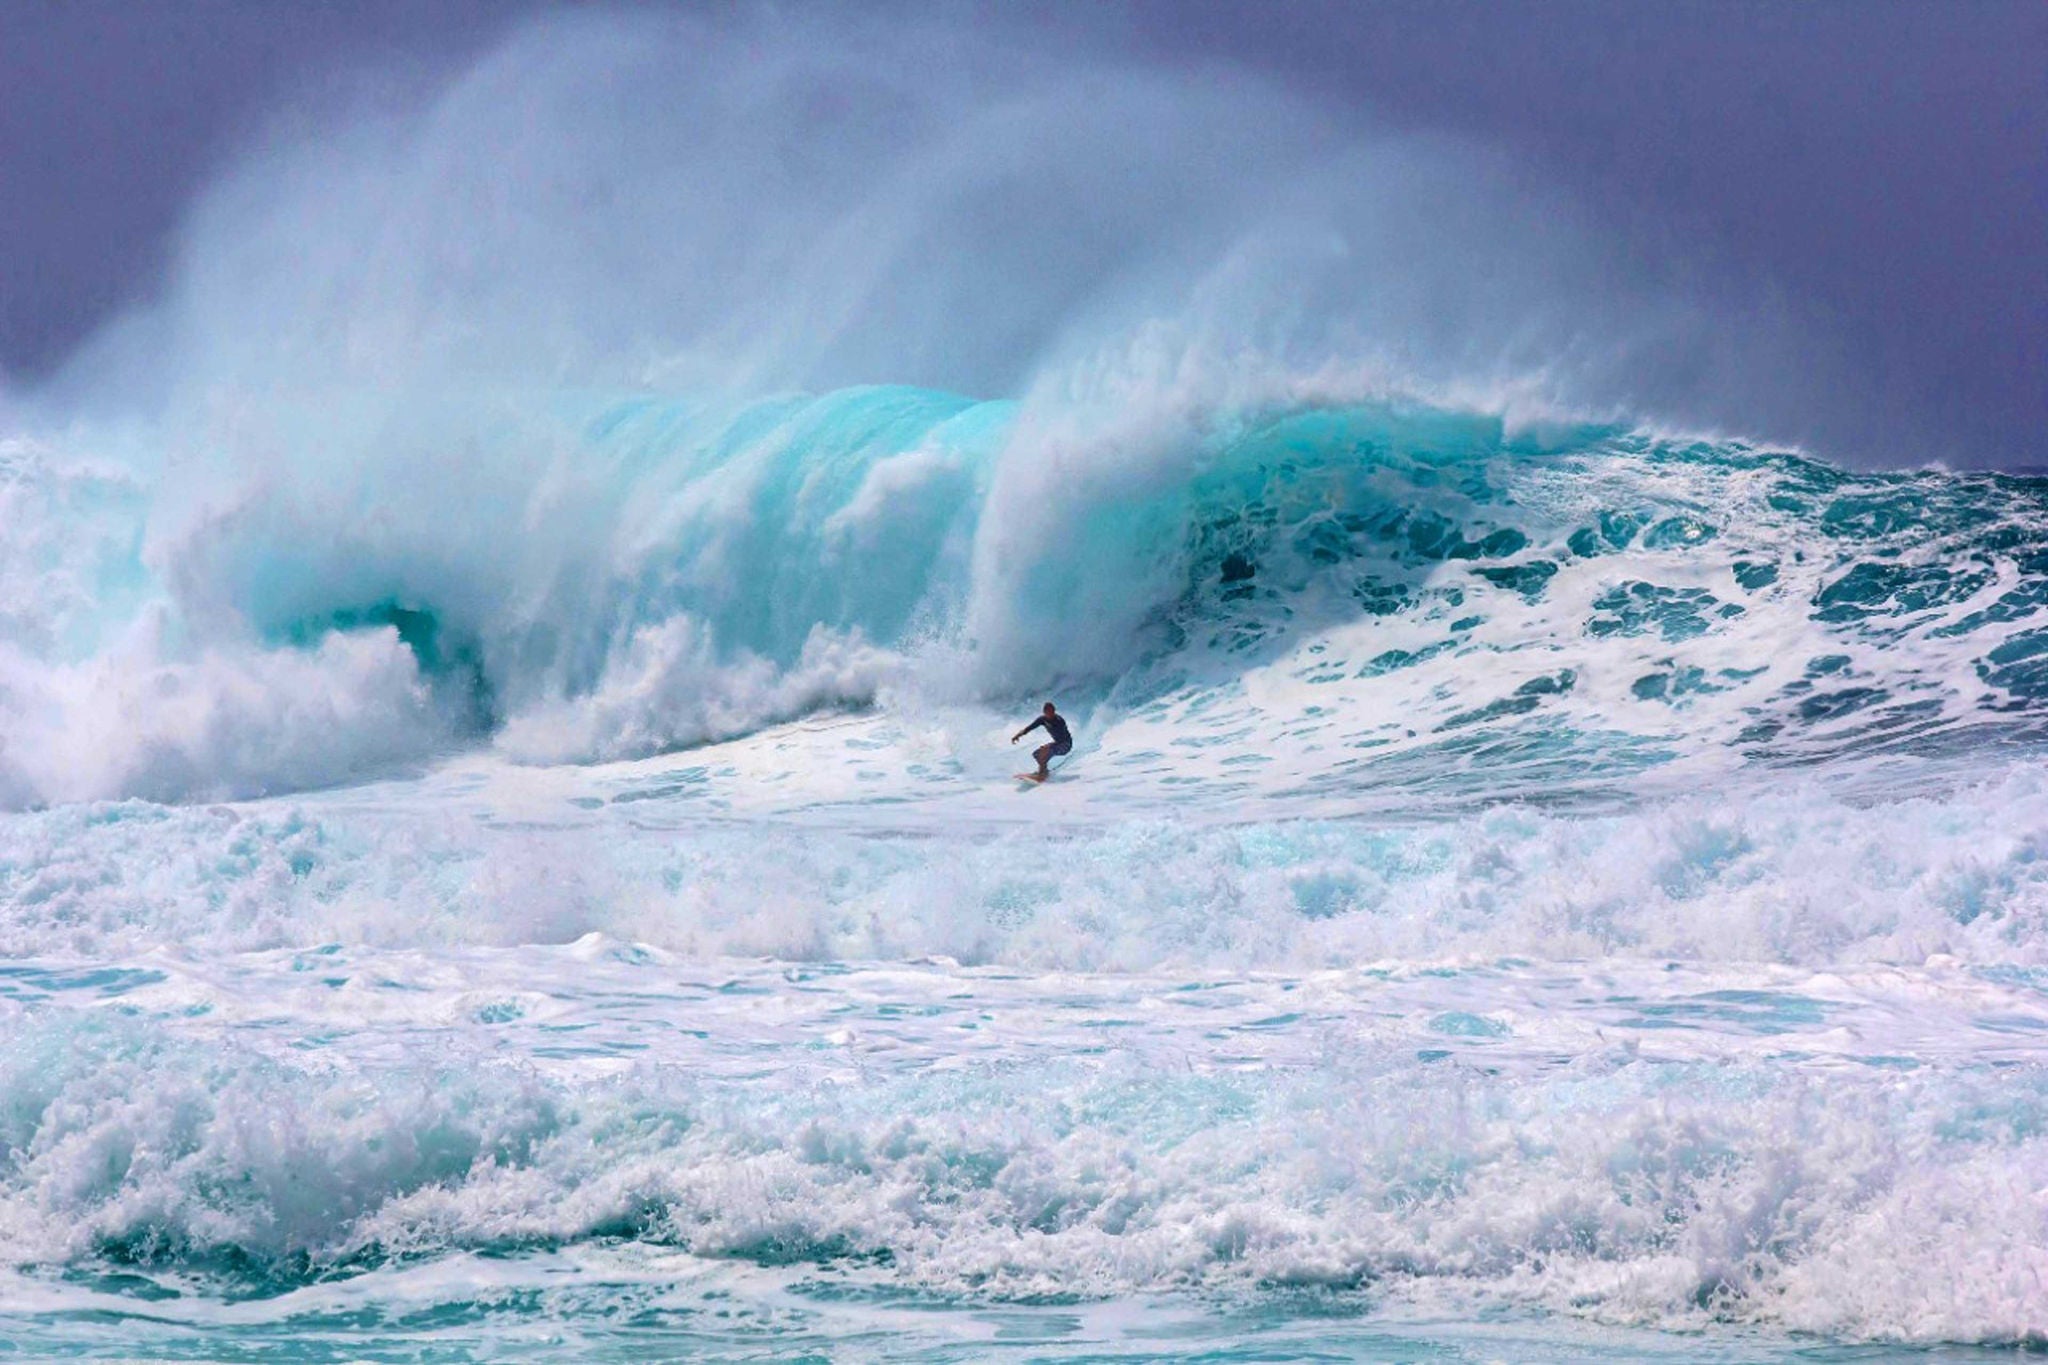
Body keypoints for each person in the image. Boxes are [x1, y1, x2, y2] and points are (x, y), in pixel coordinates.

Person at [1011, 701, 1072, 781]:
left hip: (1066, 745)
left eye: (1052, 712)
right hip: (1057, 744)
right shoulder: (1042, 719)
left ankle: (1041, 775)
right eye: (1048, 712)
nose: (1050, 714)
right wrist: (1018, 735)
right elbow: (1029, 728)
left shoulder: (1059, 721)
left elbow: (1062, 739)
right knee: (1036, 754)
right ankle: (1044, 771)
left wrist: (1049, 745)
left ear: (1054, 711)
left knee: (1045, 750)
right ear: (1044, 712)